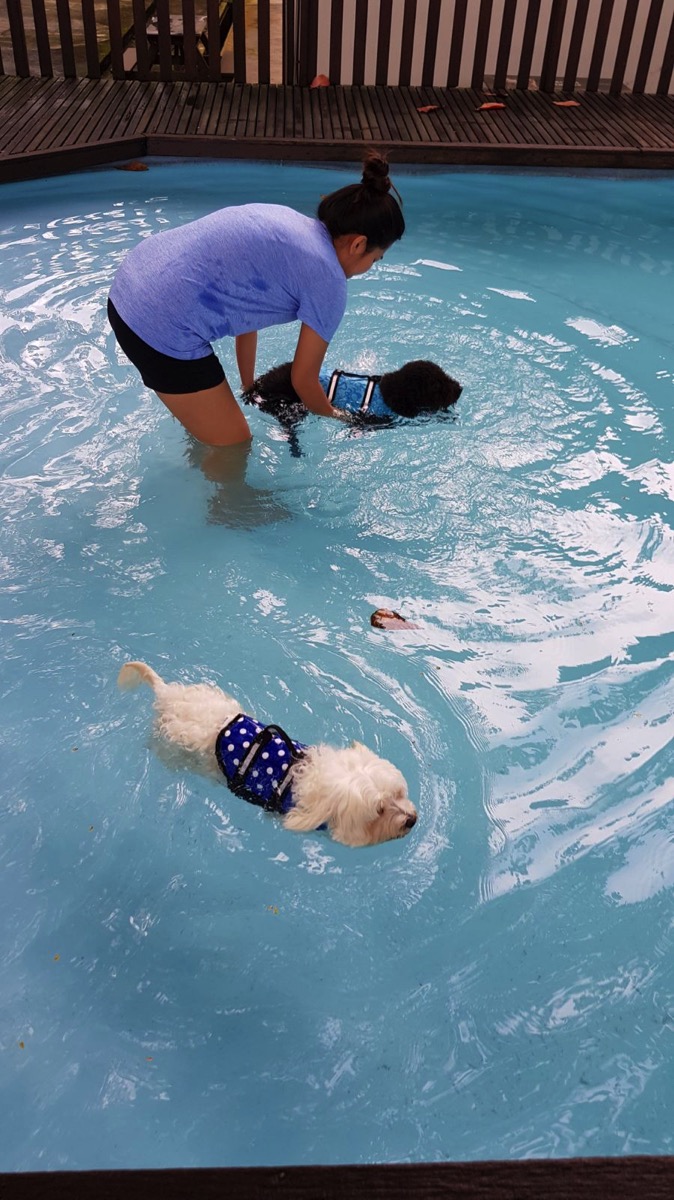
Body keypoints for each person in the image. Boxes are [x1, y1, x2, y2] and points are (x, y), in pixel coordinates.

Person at [107, 151, 405, 449]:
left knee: (214, 430)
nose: (369, 267)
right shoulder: (329, 280)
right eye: (375, 259)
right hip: (157, 324)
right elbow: (303, 380)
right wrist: (342, 417)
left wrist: (248, 384)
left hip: (131, 283)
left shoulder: (292, 225)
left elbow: (246, 306)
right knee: (235, 445)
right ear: (358, 244)